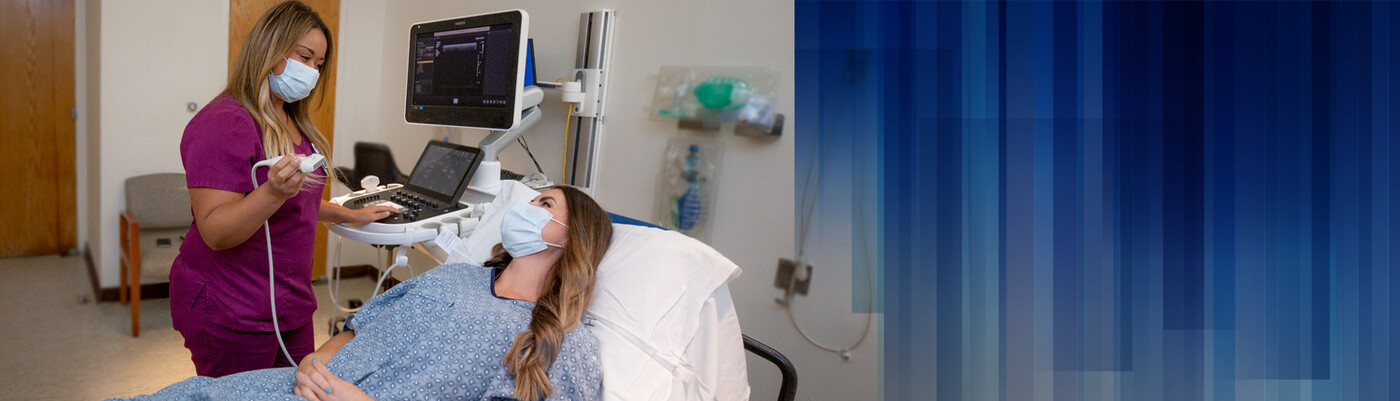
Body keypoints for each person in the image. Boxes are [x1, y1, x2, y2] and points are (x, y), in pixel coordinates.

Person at [112, 187, 613, 401]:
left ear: (571, 238)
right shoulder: (454, 276)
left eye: (543, 203)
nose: (525, 207)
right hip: (301, 387)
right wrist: (315, 359)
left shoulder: (560, 343)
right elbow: (359, 324)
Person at [172, 1, 396, 378]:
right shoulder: (224, 122)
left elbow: (300, 200)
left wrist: (350, 214)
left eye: (318, 64)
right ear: (269, 50)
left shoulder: (290, 119)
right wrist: (272, 192)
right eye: (304, 57)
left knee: (297, 387)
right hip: (233, 306)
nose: (310, 72)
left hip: (288, 304)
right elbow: (216, 231)